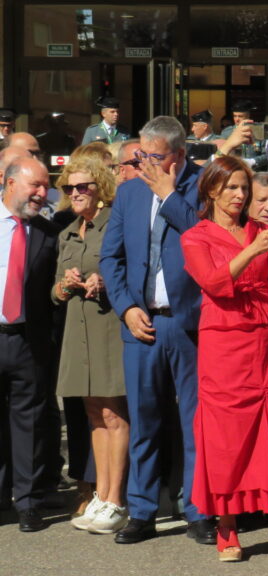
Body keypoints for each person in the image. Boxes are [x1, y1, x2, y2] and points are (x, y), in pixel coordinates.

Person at [181, 155, 268, 562]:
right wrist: (254, 248)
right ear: (212, 190)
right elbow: (214, 282)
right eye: (232, 188)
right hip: (226, 346)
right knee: (227, 438)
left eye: (244, 188)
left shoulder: (260, 230)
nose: (241, 195)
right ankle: (226, 528)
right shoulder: (196, 237)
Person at [98, 116, 214, 545]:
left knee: (195, 422)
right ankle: (142, 510)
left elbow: (207, 237)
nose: (144, 164)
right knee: (145, 421)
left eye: (155, 157)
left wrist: (168, 196)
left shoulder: (203, 186)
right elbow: (111, 259)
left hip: (191, 324)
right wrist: (126, 307)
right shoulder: (128, 193)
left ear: (179, 156)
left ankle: (198, 511)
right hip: (141, 324)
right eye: (140, 155)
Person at [51, 157, 129, 535]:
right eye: (70, 188)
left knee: (114, 415)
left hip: (108, 327)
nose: (76, 193)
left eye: (84, 186)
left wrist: (106, 281)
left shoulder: (115, 224)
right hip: (77, 332)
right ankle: (100, 493)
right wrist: (65, 284)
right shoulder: (66, 233)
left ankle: (116, 499)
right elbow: (54, 292)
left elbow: (131, 272)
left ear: (100, 188)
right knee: (94, 416)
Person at [0, 157, 60, 532]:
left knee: (30, 424)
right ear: (8, 183)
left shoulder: (48, 233)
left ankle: (28, 502)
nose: (42, 193)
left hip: (28, 340)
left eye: (44, 186)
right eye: (34, 185)